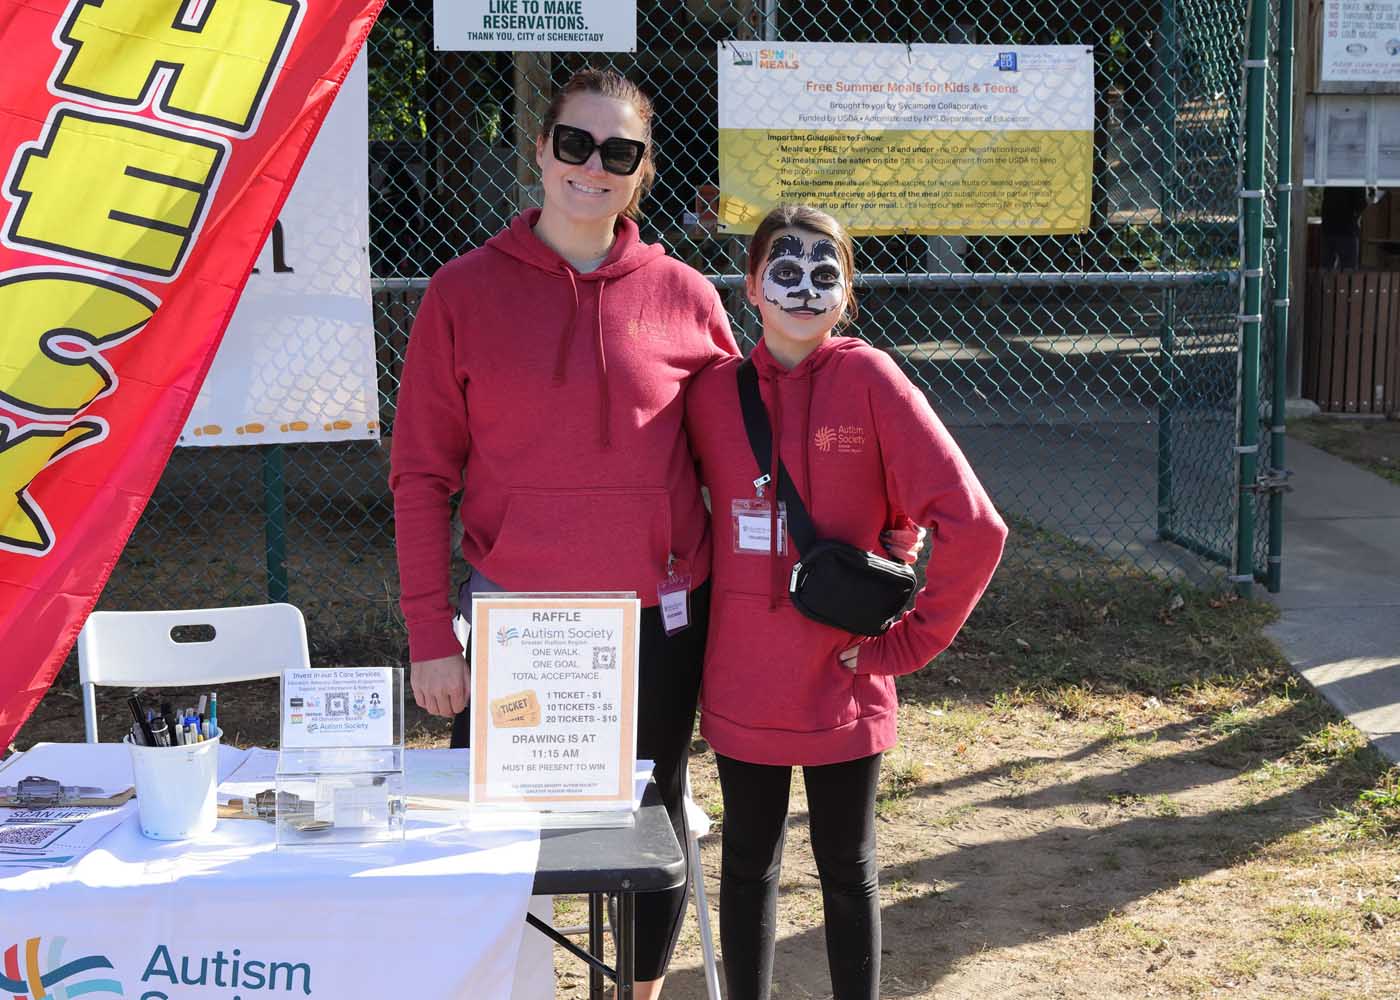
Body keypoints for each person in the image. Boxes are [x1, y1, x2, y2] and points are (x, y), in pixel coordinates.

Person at [389, 68, 739, 998]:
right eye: (575, 143)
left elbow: (742, 465)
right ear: (541, 150)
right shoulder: (462, 293)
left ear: (643, 170)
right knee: (498, 832)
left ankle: (637, 993)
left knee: (652, 819)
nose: (594, 166)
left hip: (656, 616)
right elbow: (421, 477)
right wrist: (430, 635)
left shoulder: (686, 296)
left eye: (619, 152)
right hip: (516, 621)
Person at [684, 205, 1008, 1000]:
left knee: (846, 865)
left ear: (848, 292)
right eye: (785, 271)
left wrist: (909, 643)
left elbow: (975, 526)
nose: (804, 289)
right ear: (751, 286)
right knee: (747, 863)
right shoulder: (711, 394)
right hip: (743, 675)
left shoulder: (872, 380)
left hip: (844, 672)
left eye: (824, 274)